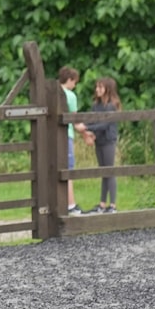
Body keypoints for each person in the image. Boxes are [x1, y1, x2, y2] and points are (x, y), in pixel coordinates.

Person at [83, 77, 122, 214]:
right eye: (97, 87)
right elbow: (94, 121)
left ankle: (113, 205)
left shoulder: (111, 106)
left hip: (108, 141)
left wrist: (88, 128)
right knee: (103, 172)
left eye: (100, 87)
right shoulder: (96, 105)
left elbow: (105, 124)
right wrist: (88, 130)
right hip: (99, 141)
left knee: (109, 171)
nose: (97, 90)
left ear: (107, 89)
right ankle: (102, 203)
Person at [58, 66, 91, 215]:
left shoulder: (51, 94)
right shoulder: (70, 96)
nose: (75, 85)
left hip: (52, 138)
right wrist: (86, 131)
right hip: (66, 137)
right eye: (75, 82)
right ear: (70, 80)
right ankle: (71, 204)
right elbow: (75, 122)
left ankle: (58, 204)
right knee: (68, 171)